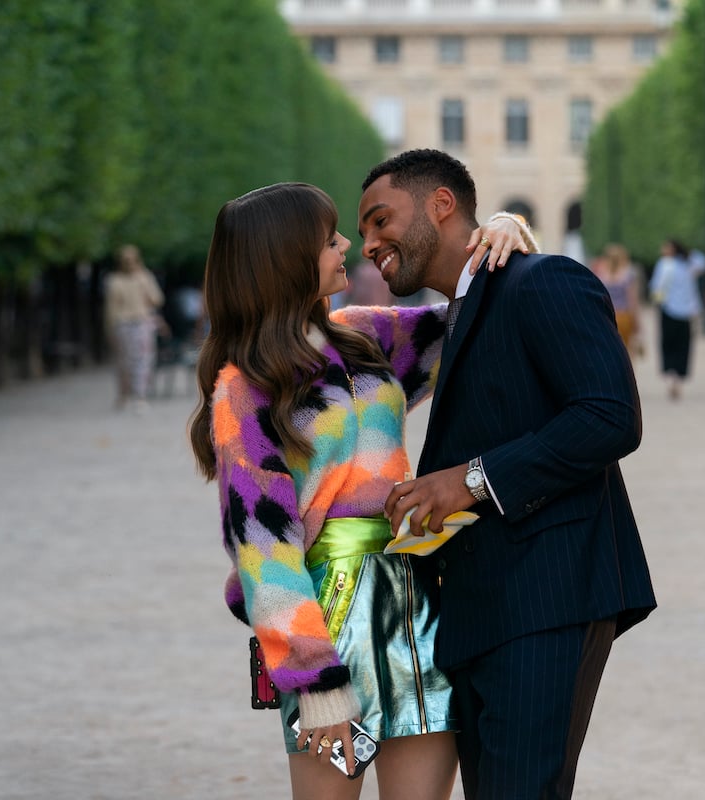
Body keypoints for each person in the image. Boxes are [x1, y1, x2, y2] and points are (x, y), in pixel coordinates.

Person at [188, 182, 533, 800]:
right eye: (328, 239)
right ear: (285, 258)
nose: (347, 244)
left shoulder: (363, 337)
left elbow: (479, 317)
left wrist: (505, 230)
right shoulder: (244, 392)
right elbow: (265, 551)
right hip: (326, 617)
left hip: (415, 604)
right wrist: (314, 681)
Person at [359, 149, 656, 800]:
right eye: (360, 234)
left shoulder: (543, 280)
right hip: (485, 610)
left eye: (380, 220)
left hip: (547, 596)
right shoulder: (450, 317)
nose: (369, 242)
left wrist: (465, 480)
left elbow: (610, 417)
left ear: (441, 205)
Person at [105, 244, 165, 410]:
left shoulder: (144, 277)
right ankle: (124, 394)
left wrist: (143, 281)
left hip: (142, 323)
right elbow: (111, 308)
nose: (129, 263)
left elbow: (157, 299)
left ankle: (140, 395)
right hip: (123, 324)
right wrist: (110, 330)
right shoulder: (114, 281)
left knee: (144, 361)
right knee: (123, 362)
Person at [649, 240, 705, 400]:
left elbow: (656, 287)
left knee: (668, 344)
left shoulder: (664, 264)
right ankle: (678, 379)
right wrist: (688, 253)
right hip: (686, 311)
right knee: (683, 345)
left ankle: (670, 376)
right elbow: (704, 262)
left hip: (668, 309)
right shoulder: (689, 264)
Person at [590, 243, 642, 358]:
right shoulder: (627, 276)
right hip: (624, 316)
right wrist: (637, 321)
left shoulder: (601, 275)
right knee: (626, 352)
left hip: (605, 317)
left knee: (608, 352)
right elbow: (632, 301)